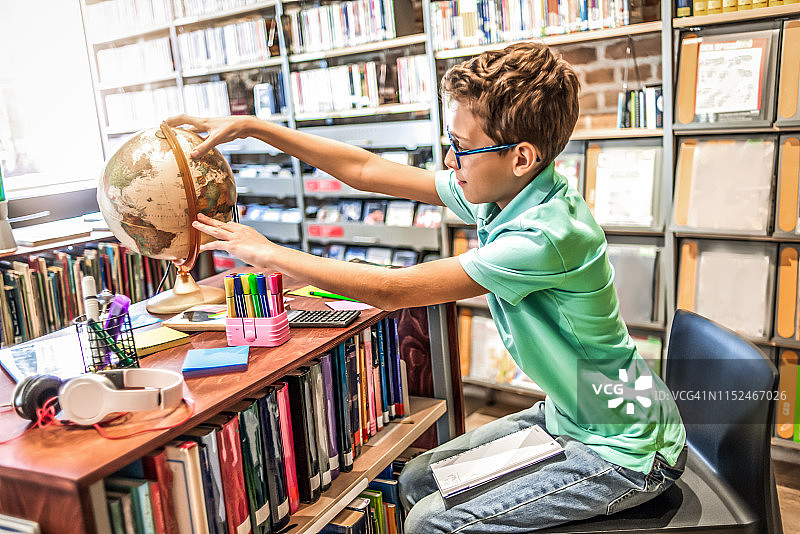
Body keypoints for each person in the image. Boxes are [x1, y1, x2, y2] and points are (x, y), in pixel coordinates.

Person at [168, 41, 686, 533]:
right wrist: (260, 129)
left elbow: (394, 290)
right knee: (418, 480)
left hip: (625, 451)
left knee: (431, 522)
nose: (448, 161)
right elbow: (367, 169)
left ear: (520, 157)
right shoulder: (502, 191)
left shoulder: (544, 235)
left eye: (460, 147)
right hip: (575, 415)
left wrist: (269, 254)